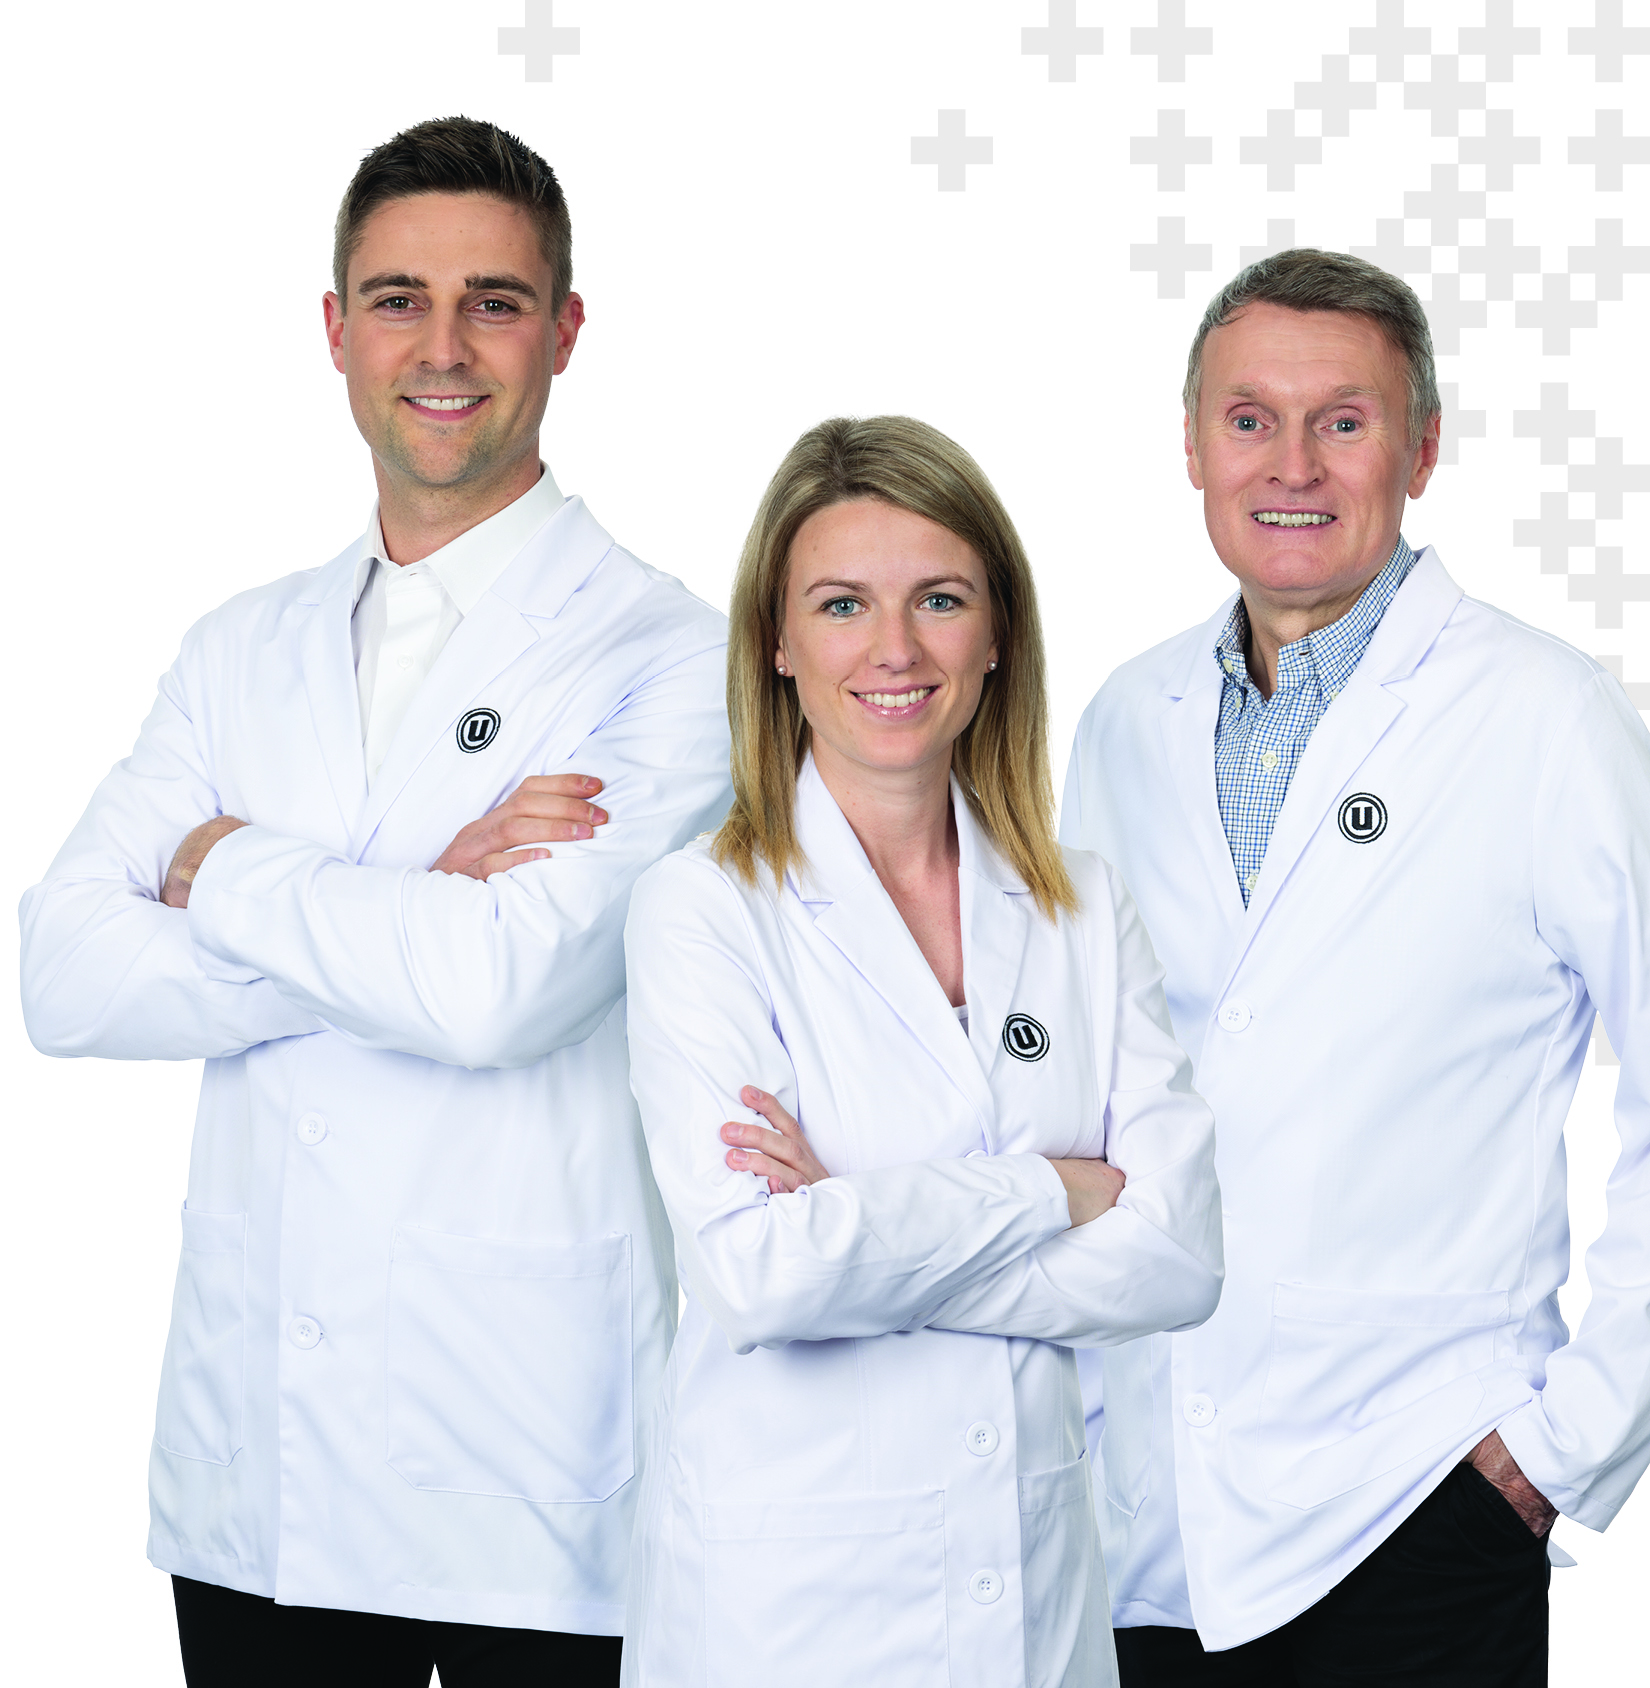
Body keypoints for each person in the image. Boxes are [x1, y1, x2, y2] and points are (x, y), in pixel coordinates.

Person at [18, 116, 730, 1686]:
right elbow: (60, 974)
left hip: (524, 1479)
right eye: (400, 299)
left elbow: (499, 993)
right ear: (336, 330)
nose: (443, 347)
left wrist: (220, 870)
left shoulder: (670, 656)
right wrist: (407, 903)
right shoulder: (237, 648)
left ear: (564, 331)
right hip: (254, 1474)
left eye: (494, 301)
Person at [1060, 247, 1650, 1685]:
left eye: (1344, 420)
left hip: (1419, 1503)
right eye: (1249, 419)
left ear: (1421, 448)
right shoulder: (1126, 719)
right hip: (1150, 1517)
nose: (1293, 465)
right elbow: (1081, 1076)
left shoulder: (1546, 717)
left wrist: (1566, 1443)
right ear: (1192, 447)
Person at [619, 415, 1224, 1688]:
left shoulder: (1080, 904)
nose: (894, 648)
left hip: (1037, 1593)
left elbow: (1177, 1256)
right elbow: (758, 1277)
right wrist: (1048, 1190)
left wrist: (860, 1227)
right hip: (792, 1613)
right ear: (777, 641)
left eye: (939, 598)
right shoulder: (703, 909)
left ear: (997, 632)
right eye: (842, 603)